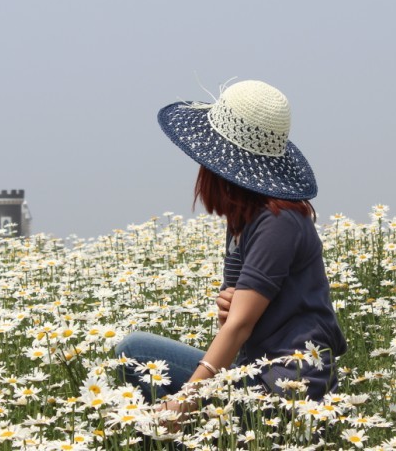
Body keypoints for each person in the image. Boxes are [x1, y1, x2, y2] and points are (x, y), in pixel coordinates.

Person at [115, 80, 347, 413]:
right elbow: (233, 315)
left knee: (134, 350)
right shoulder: (246, 216)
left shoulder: (278, 220)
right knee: (138, 361)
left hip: (284, 389)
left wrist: (185, 403)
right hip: (254, 373)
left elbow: (238, 325)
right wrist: (234, 306)